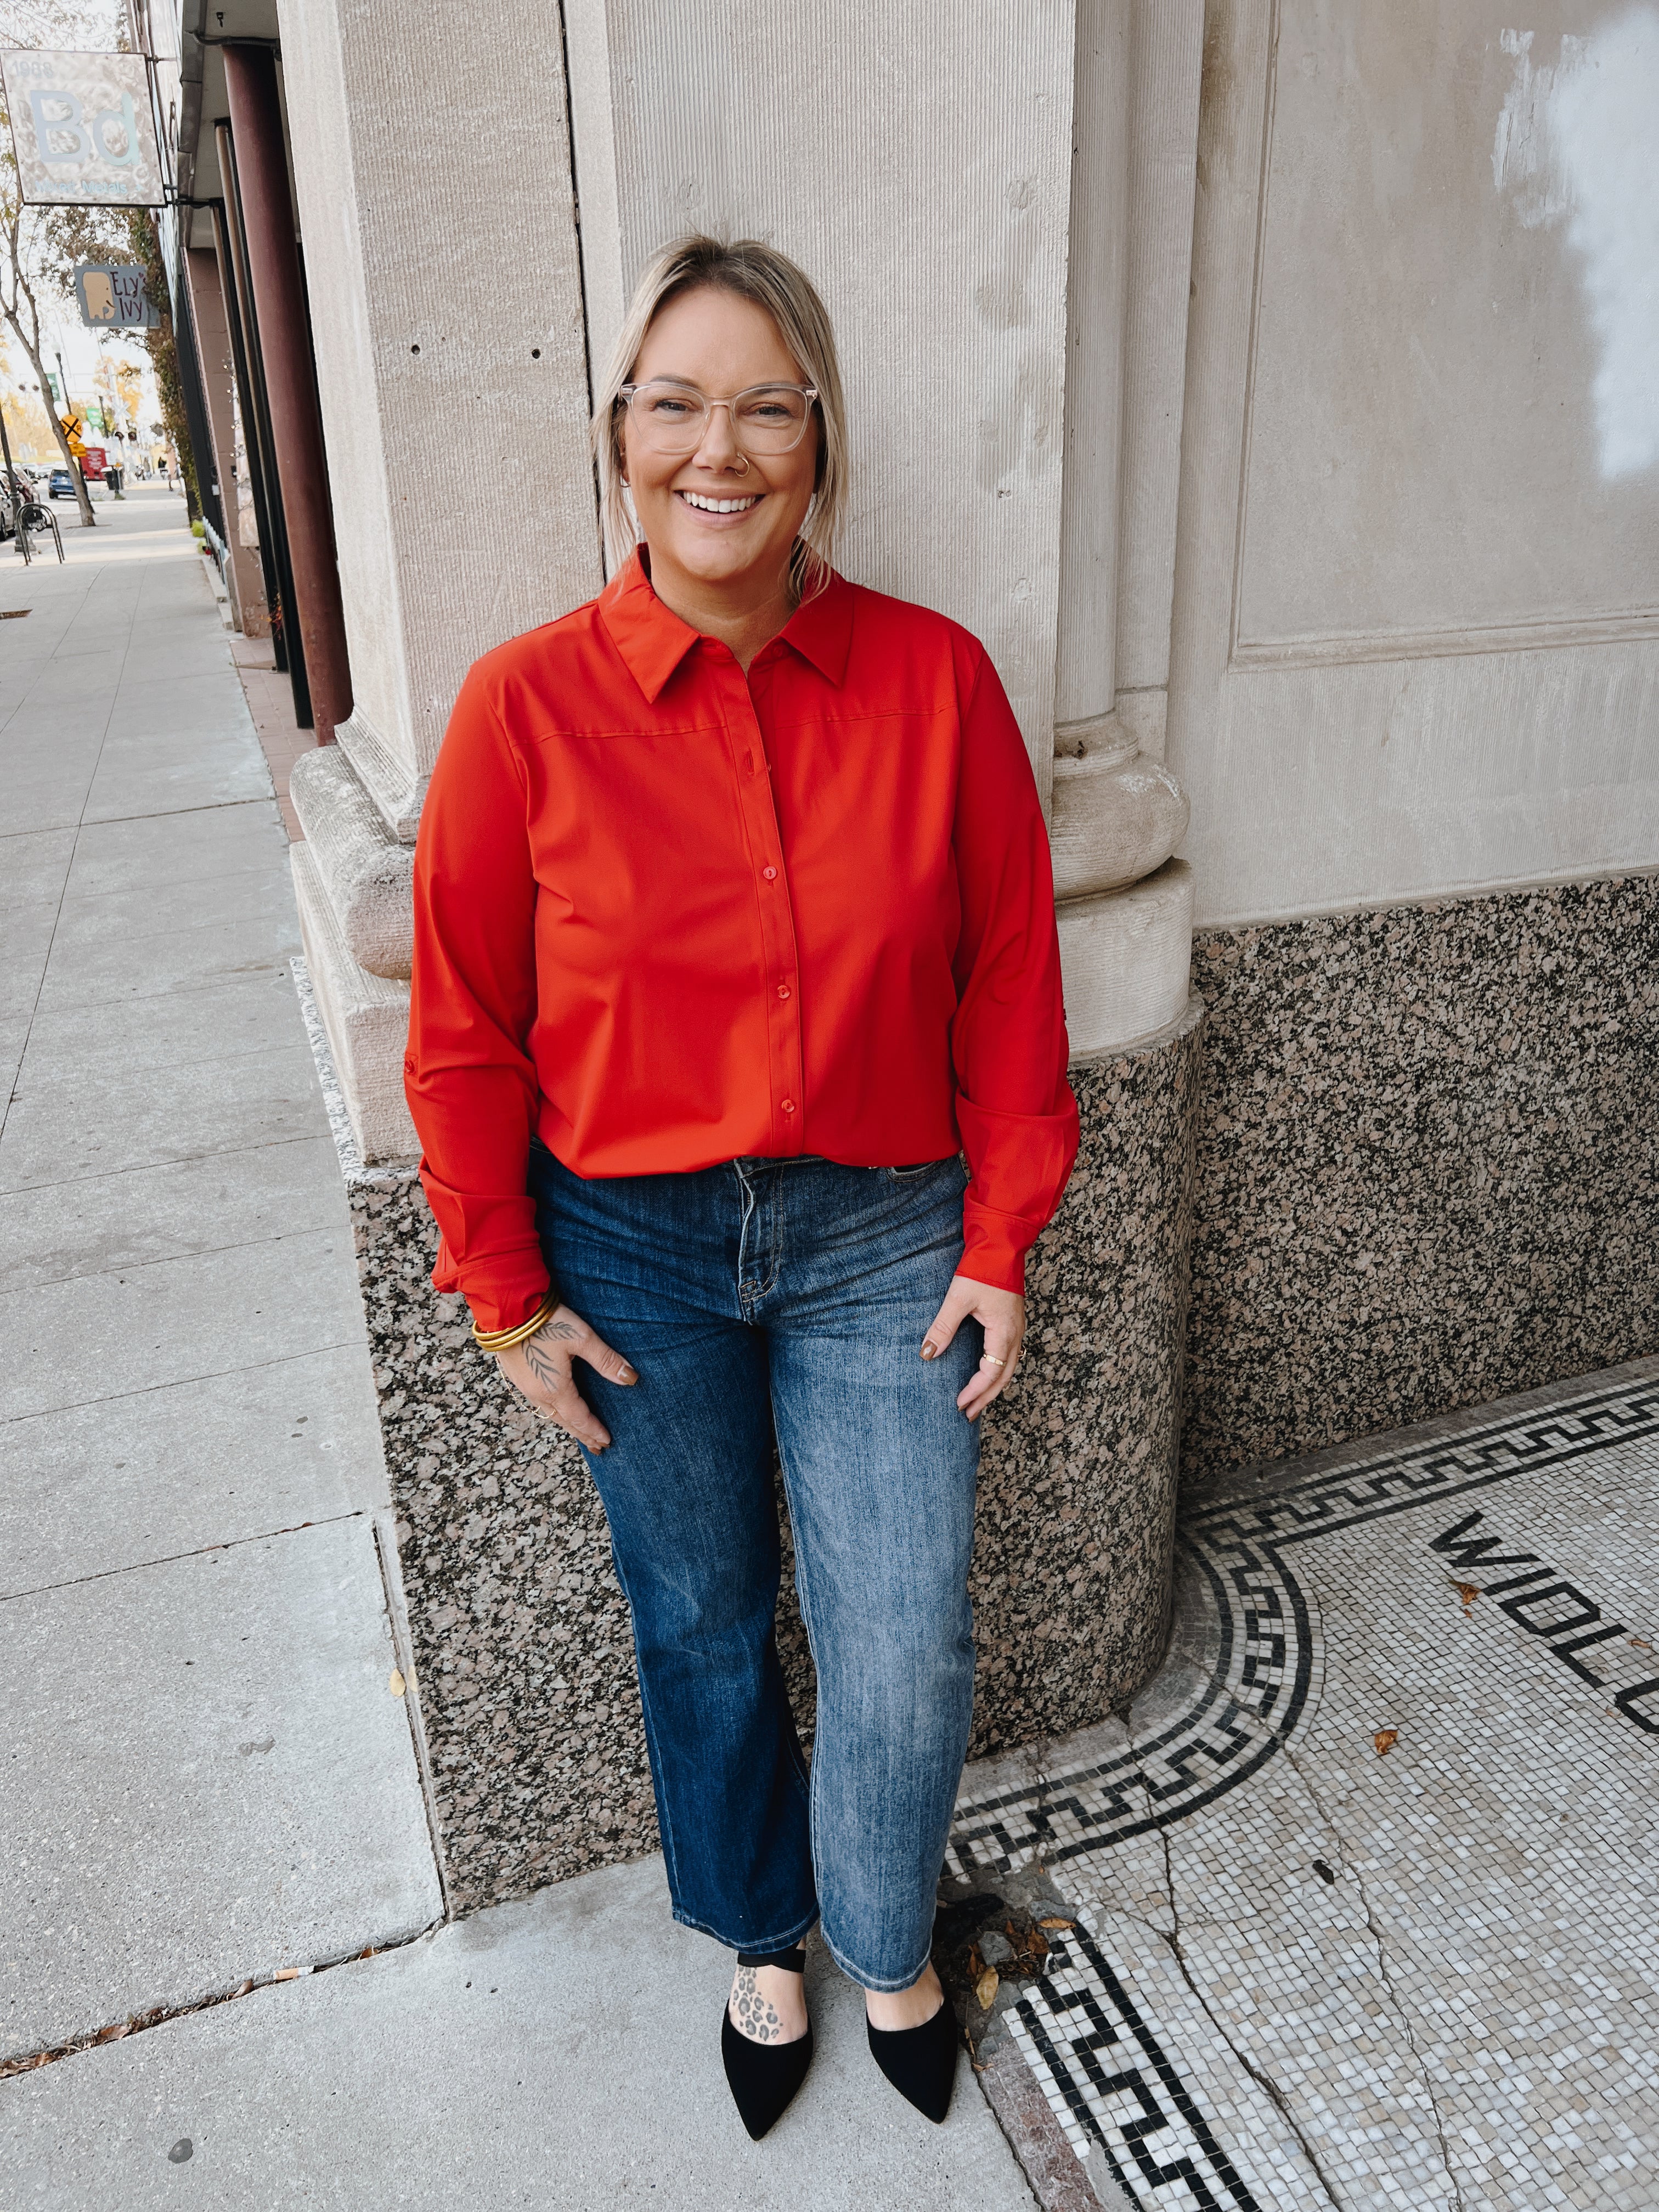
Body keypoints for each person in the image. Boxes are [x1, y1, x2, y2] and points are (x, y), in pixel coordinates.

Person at [405, 236, 1077, 2141]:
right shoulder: (525, 708)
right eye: (677, 403)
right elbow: (462, 1026)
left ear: (819, 441)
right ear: (621, 436)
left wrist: (1001, 1235)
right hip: (631, 1246)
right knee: (698, 1615)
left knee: (900, 1617)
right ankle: (760, 1931)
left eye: (765, 405)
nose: (721, 446)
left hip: (884, 1228)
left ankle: (885, 1930)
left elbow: (1013, 975)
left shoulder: (936, 685)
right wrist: (507, 1291)